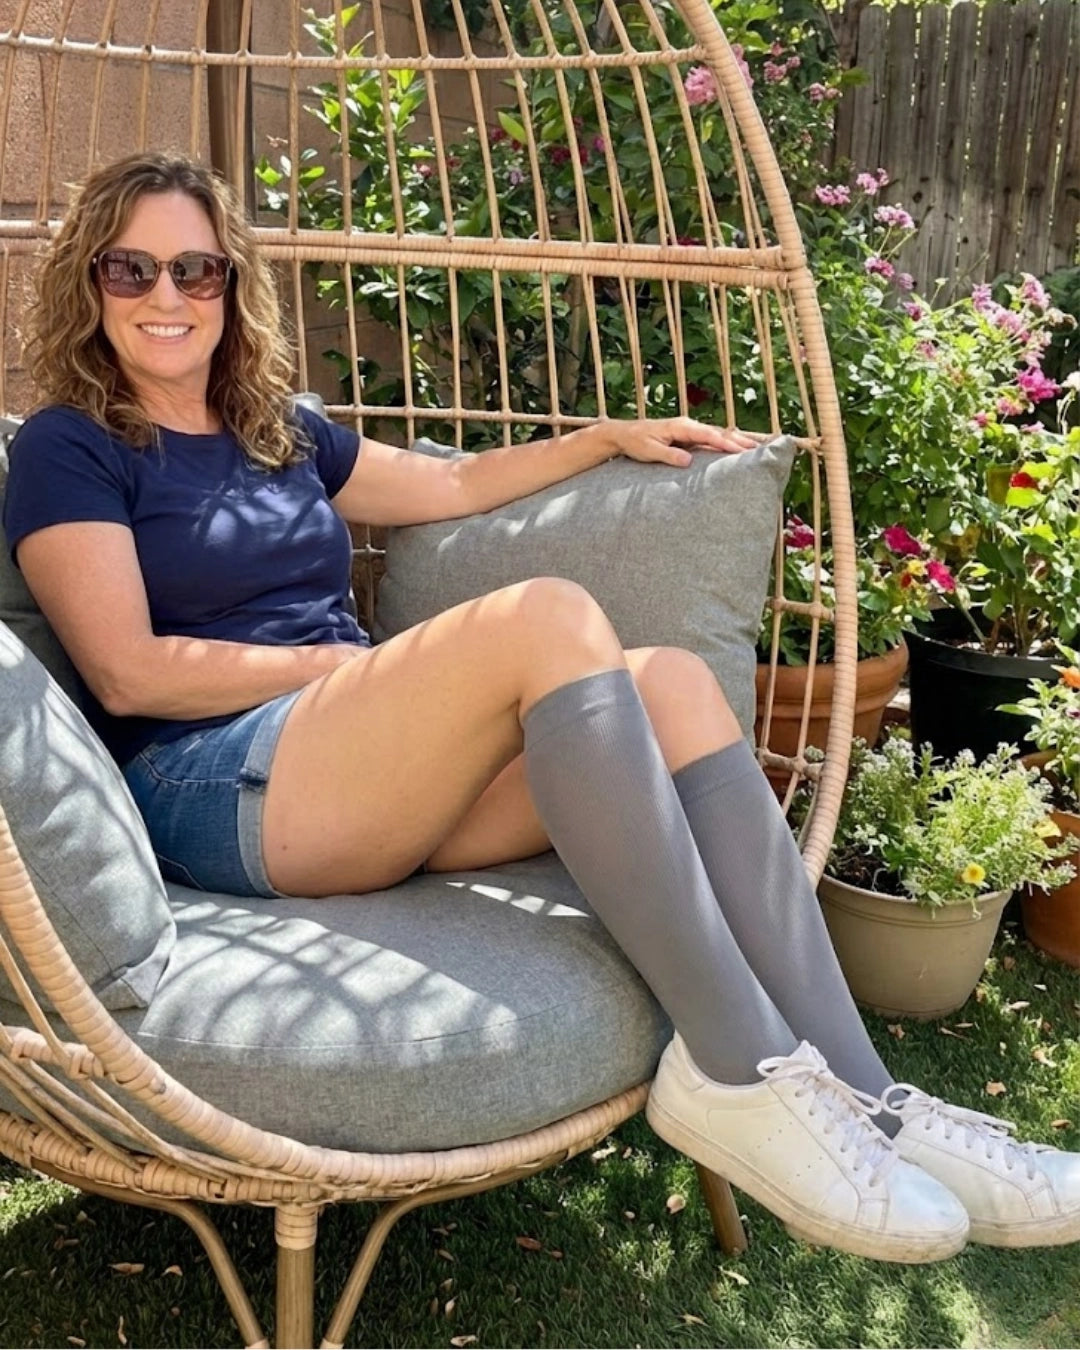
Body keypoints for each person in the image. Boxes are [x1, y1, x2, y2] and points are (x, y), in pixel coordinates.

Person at [4, 152, 1078, 1264]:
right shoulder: (68, 447)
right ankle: (736, 1068)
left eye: (196, 270)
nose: (167, 296)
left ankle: (873, 1097)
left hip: (364, 779)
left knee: (670, 682)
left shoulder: (276, 429)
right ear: (91, 280)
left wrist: (602, 439)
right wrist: (346, 670)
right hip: (218, 783)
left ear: (231, 284)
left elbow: (452, 485)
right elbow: (130, 673)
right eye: (132, 269)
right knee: (547, 617)